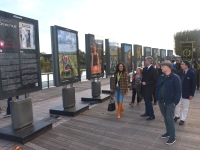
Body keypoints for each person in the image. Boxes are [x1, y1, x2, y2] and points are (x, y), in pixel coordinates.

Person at [155, 61, 181, 145]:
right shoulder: (161, 76)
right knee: (165, 117)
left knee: (169, 119)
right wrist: (157, 97)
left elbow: (178, 91)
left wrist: (175, 102)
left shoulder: (175, 77)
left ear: (168, 67)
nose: (161, 67)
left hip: (170, 102)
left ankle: (172, 137)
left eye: (163, 66)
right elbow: (158, 87)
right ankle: (168, 132)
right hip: (161, 101)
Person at [174, 60, 196, 125]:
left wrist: (192, 94)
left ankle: (183, 119)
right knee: (176, 104)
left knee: (185, 107)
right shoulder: (179, 72)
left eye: (182, 64)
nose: (181, 65)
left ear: (186, 65)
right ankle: (177, 116)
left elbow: (193, 85)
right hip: (178, 92)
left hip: (187, 93)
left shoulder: (192, 74)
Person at [140, 56, 159, 120]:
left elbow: (155, 80)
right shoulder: (145, 68)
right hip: (144, 87)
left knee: (148, 101)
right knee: (146, 101)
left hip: (149, 88)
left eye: (146, 61)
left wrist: (146, 83)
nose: (145, 62)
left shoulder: (154, 70)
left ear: (149, 62)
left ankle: (152, 115)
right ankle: (147, 112)